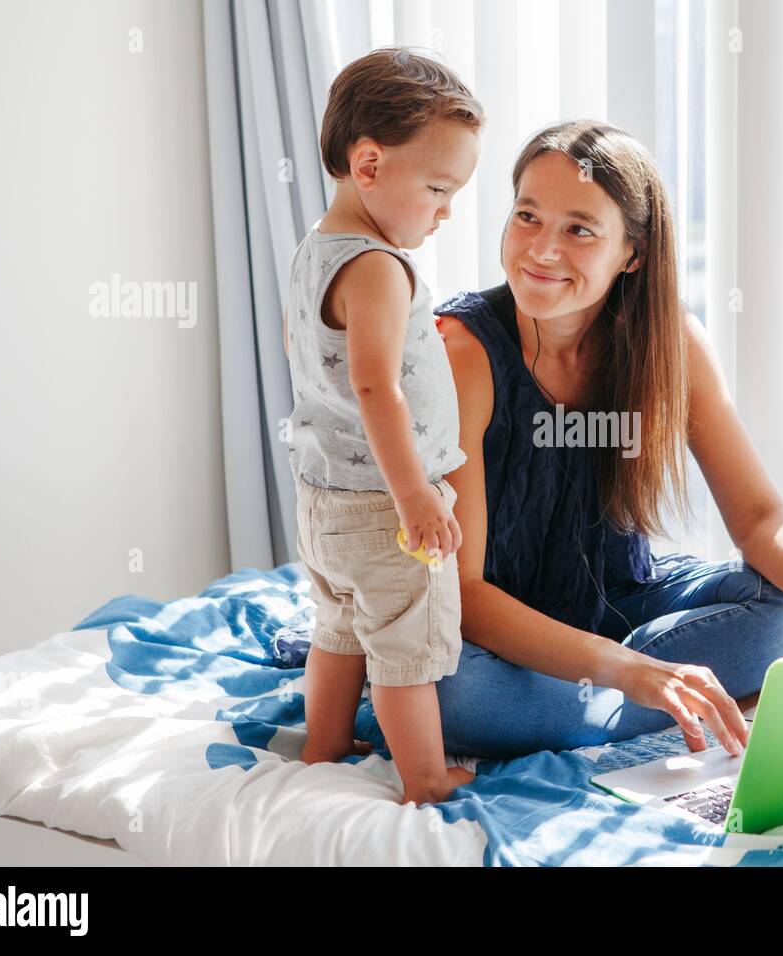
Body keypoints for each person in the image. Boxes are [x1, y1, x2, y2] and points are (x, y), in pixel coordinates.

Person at [411, 119, 783, 761]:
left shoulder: (670, 342)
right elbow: (462, 593)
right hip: (496, 635)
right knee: (456, 694)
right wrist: (633, 671)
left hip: (614, 600)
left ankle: (608, 699)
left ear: (632, 252)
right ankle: (653, 692)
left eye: (579, 229)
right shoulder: (463, 352)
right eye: (527, 217)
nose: (541, 250)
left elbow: (761, 515)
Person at [282, 48, 482, 805]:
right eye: (437, 188)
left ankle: (326, 744)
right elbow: (374, 385)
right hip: (383, 502)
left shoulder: (316, 251)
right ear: (368, 165)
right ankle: (425, 778)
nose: (445, 210)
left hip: (324, 495)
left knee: (337, 628)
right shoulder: (376, 267)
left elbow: (303, 349)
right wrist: (416, 497)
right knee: (407, 644)